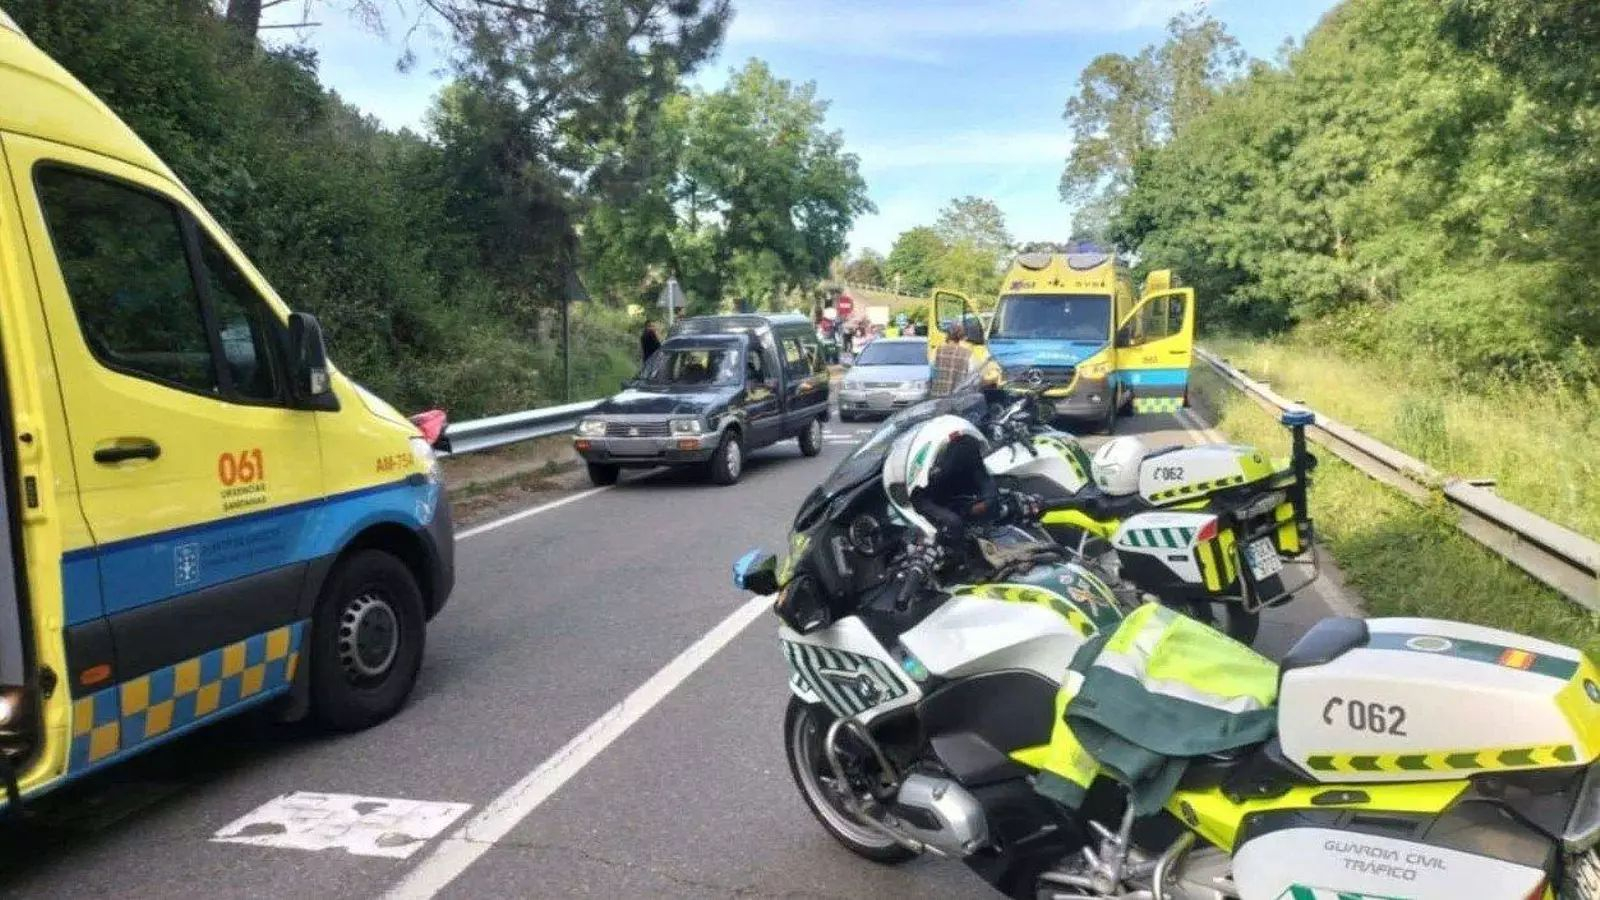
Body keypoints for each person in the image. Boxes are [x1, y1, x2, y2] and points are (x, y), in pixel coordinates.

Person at [930, 322, 972, 397]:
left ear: (948, 335)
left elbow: (931, 372)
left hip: (937, 397)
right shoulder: (967, 353)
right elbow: (972, 374)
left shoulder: (937, 350)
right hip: (957, 399)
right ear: (961, 336)